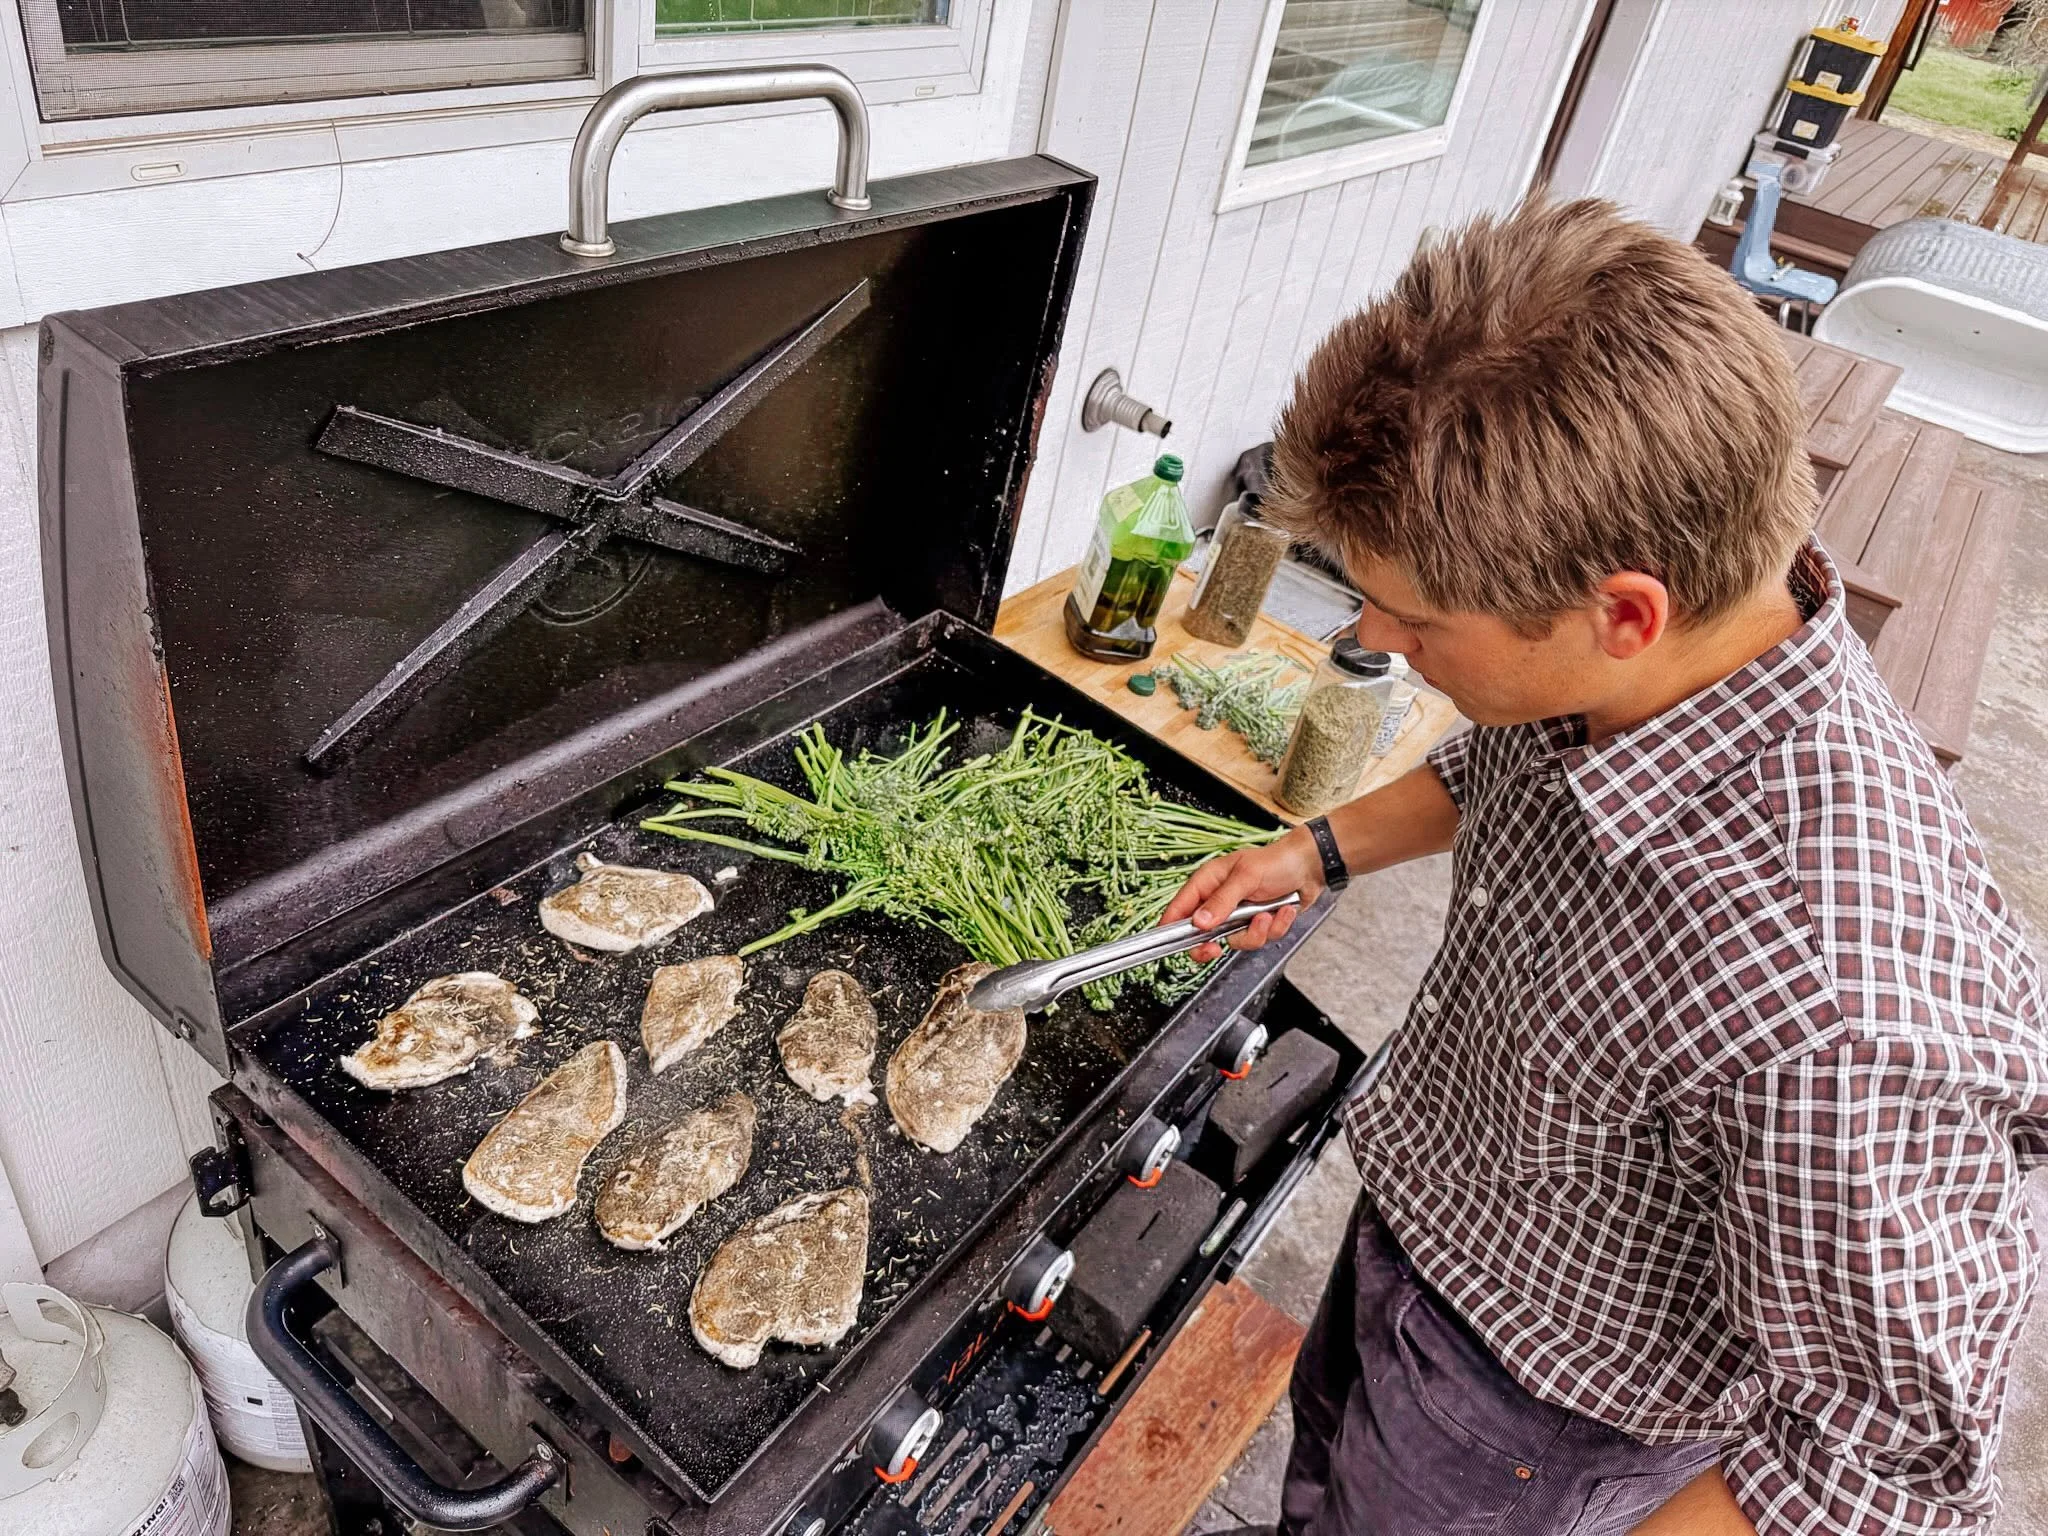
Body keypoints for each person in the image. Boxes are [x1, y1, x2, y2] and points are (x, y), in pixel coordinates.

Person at [1163, 198, 2047, 1536]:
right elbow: (1496, 765)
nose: (1372, 635)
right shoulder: (1635, 667)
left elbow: (1886, 1465)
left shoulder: (1830, 1005)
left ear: (1624, 612)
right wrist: (1318, 847)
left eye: (1413, 616)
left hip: (1540, 1420)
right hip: (1436, 1210)